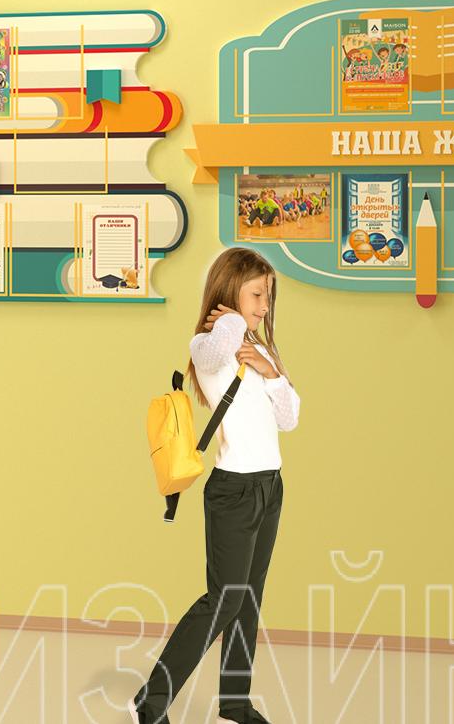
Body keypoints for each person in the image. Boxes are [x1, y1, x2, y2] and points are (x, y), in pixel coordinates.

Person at [131, 247, 301, 724]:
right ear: (231, 291)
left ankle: (235, 701)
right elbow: (208, 353)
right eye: (256, 294)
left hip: (270, 486)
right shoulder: (210, 344)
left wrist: (271, 372)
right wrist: (229, 322)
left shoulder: (259, 350)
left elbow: (290, 418)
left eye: (268, 296)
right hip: (234, 491)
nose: (264, 306)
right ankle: (151, 700)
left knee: (248, 599)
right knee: (223, 599)